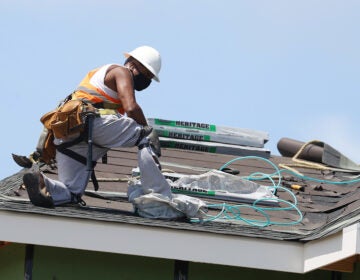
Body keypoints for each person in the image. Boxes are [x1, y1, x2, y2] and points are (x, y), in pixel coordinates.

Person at [22, 45, 168, 208]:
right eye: (146, 73)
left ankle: (41, 181)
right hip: (92, 124)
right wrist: (146, 129)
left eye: (149, 76)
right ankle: (158, 194)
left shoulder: (99, 76)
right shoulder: (122, 71)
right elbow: (131, 108)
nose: (146, 79)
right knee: (146, 136)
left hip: (68, 133)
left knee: (72, 193)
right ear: (133, 64)